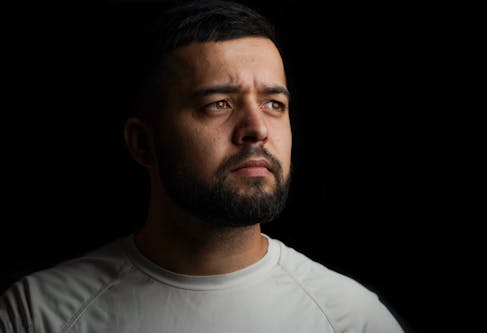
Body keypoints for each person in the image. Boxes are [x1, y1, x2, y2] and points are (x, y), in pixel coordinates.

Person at [0, 1, 405, 332]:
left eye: (274, 104)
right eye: (219, 104)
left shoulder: (352, 319)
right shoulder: (39, 315)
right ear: (143, 143)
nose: (257, 129)